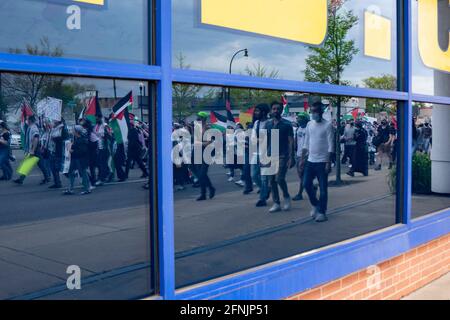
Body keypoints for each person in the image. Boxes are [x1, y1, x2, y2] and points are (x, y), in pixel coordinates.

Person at [302, 98, 334, 223]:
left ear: (321, 112)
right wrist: (302, 159)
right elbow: (306, 143)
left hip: (322, 162)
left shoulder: (328, 125)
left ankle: (322, 212)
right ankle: (315, 204)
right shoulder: (310, 124)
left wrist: (328, 162)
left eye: (316, 111)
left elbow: (331, 145)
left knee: (323, 188)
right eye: (312, 111)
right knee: (306, 184)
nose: (314, 113)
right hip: (310, 161)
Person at [265, 101, 294, 213]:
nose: (276, 111)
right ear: (271, 110)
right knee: (271, 180)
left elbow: (291, 141)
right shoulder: (268, 124)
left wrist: (291, 157)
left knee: (279, 179)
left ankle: (286, 197)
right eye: (274, 109)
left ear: (281, 110)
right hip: (270, 155)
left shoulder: (287, 124)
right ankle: (276, 203)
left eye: (278, 109)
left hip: (283, 155)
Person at [14, 115, 50, 185]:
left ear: (30, 120)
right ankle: (47, 177)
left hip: (35, 149)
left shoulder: (34, 128)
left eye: (27, 119)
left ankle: (21, 179)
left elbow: (36, 138)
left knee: (29, 164)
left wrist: (33, 150)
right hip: (33, 149)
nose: (26, 120)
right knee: (39, 164)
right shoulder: (30, 127)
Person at [251, 104, 270, 206]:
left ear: (263, 112)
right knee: (253, 175)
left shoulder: (270, 123)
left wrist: (260, 140)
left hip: (267, 153)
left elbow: (270, 139)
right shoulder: (256, 123)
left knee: (264, 178)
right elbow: (253, 139)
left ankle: (262, 199)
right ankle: (266, 189)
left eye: (257, 111)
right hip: (256, 152)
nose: (255, 113)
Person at [63, 125, 91, 195]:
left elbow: (82, 151)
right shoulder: (76, 139)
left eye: (73, 130)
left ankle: (87, 189)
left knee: (83, 174)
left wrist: (72, 151)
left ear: (77, 132)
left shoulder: (82, 140)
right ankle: (70, 189)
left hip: (80, 159)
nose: (72, 131)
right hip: (75, 159)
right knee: (71, 173)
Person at [194, 111, 216, 201]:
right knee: (200, 174)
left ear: (203, 118)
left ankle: (208, 190)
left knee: (202, 174)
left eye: (199, 118)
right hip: (198, 153)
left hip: (207, 153)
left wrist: (200, 143)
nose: (197, 119)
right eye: (197, 117)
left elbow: (210, 142)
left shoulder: (208, 128)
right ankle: (206, 191)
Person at [293, 112, 310, 201]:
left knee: (302, 174)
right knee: (301, 175)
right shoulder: (298, 129)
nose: (298, 119)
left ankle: (300, 194)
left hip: (306, 155)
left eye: (300, 118)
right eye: (298, 118)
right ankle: (310, 185)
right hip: (298, 154)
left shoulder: (309, 129)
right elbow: (296, 141)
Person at [48, 119, 68, 189]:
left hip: (59, 151)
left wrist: (55, 139)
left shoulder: (62, 128)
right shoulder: (53, 129)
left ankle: (75, 176)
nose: (53, 122)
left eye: (54, 121)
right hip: (52, 150)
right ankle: (57, 183)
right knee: (53, 168)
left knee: (60, 168)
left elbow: (64, 139)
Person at [93, 115, 111, 186]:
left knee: (102, 163)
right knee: (99, 163)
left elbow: (109, 134)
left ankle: (102, 177)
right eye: (96, 118)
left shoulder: (105, 125)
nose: (96, 118)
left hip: (104, 147)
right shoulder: (95, 126)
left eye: (98, 117)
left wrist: (104, 135)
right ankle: (106, 173)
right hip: (97, 147)